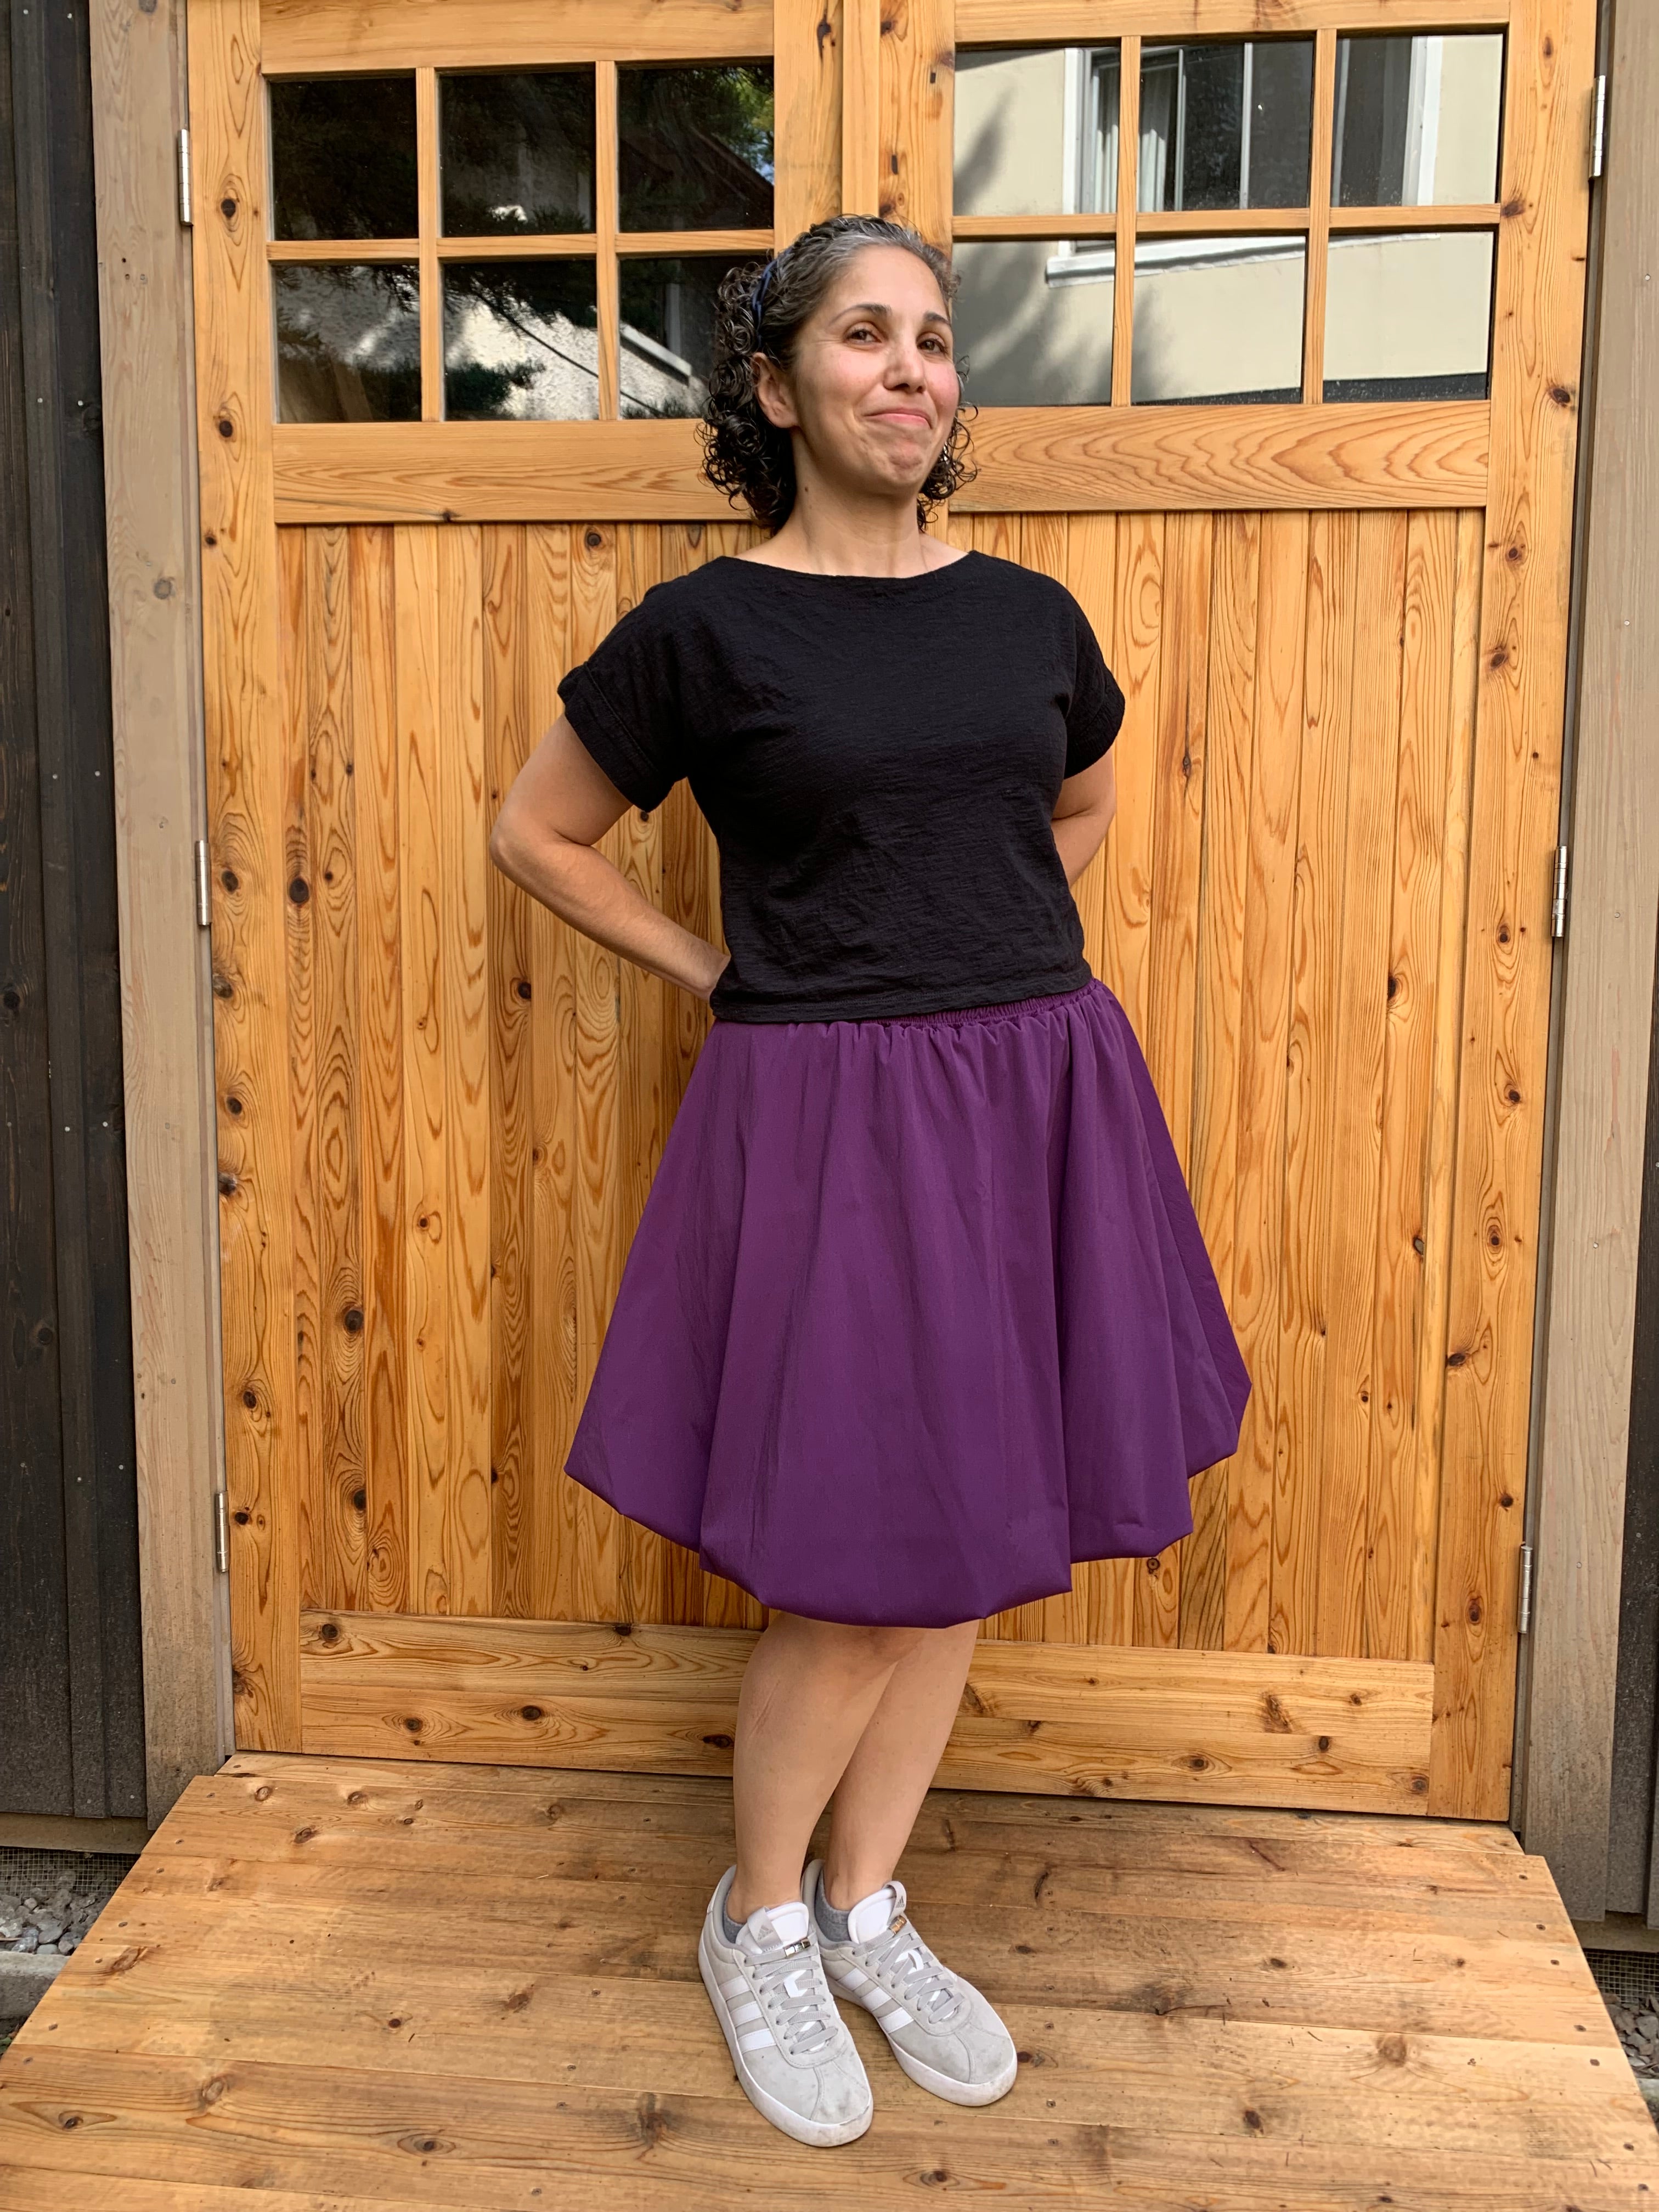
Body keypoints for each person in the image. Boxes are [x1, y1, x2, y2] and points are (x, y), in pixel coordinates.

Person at [489, 213, 1251, 2149]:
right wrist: (720, 969)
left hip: (1034, 1088)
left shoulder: (1027, 617)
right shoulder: (705, 633)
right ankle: (755, 1920)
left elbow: (1075, 799)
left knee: (979, 1529)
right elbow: (540, 831)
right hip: (825, 1115)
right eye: (863, 335)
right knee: (853, 1569)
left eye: (933, 338)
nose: (912, 367)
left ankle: (863, 1901)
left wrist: (981, 958)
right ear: (774, 385)